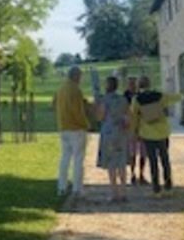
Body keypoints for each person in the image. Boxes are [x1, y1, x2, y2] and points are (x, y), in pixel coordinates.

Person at [130, 76, 182, 196]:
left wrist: (134, 132)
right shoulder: (160, 96)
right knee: (165, 159)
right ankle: (168, 186)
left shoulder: (136, 99)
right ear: (150, 84)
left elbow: (134, 118)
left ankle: (156, 188)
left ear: (139, 86)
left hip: (147, 134)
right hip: (162, 132)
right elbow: (174, 98)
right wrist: (181, 95)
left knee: (153, 162)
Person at [54, 66, 89, 196]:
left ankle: (61, 187)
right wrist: (86, 124)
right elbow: (78, 111)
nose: (81, 79)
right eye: (80, 76)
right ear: (76, 76)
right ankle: (77, 188)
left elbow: (54, 105)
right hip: (76, 128)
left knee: (64, 158)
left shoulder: (61, 88)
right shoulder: (76, 90)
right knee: (78, 159)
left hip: (63, 127)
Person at [95, 75, 130, 203]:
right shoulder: (123, 99)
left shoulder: (104, 100)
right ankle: (124, 191)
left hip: (108, 132)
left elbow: (100, 116)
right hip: (120, 131)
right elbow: (127, 116)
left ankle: (114, 192)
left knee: (111, 163)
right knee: (121, 162)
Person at [123, 77, 148, 185]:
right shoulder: (125, 96)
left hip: (142, 128)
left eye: (134, 84)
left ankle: (141, 174)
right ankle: (133, 174)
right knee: (133, 153)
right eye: (130, 84)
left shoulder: (140, 96)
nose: (132, 86)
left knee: (143, 153)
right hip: (131, 128)